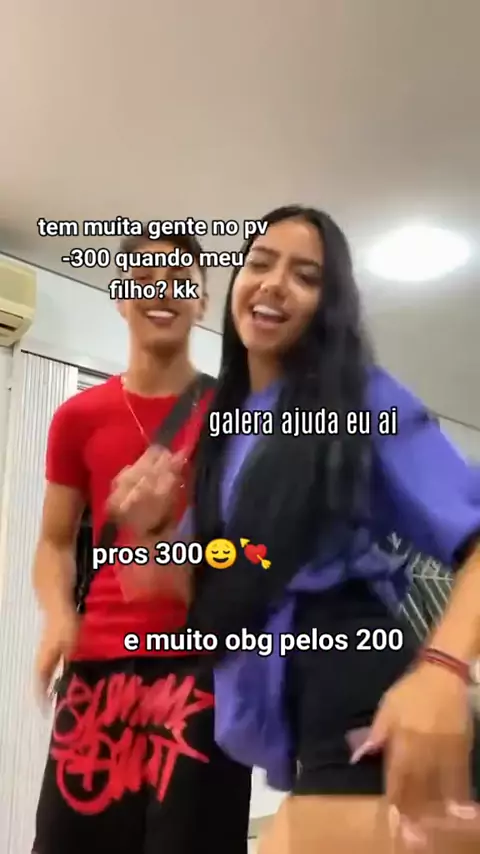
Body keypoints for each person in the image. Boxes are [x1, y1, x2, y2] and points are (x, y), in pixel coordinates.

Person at [180, 205, 480, 853]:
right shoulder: (224, 426)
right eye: (260, 263)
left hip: (359, 695)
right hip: (291, 718)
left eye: (306, 275)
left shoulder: (361, 399)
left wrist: (443, 670)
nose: (274, 283)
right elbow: (194, 591)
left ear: (330, 304)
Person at [31, 226, 251, 854]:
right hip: (98, 670)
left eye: (181, 282)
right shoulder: (78, 417)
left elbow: (256, 553)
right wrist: (58, 618)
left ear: (202, 302)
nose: (163, 292)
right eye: (145, 280)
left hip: (201, 672)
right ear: (120, 297)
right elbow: (54, 542)